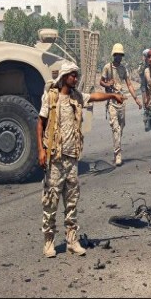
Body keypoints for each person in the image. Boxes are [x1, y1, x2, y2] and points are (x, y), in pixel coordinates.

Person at [37, 61, 124, 258]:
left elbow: (94, 96)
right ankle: (49, 242)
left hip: (72, 159)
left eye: (76, 75)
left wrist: (112, 95)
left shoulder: (77, 97)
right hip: (55, 158)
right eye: (72, 76)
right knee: (51, 202)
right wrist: (41, 150)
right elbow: (40, 124)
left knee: (72, 202)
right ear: (64, 77)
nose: (75, 79)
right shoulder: (52, 98)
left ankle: (72, 240)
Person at [100, 43, 142, 166]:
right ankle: (118, 154)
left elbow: (129, 84)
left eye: (120, 55)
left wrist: (136, 99)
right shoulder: (107, 68)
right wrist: (108, 84)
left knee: (121, 127)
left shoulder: (123, 69)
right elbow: (101, 82)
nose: (119, 57)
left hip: (121, 102)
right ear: (114, 55)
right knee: (116, 128)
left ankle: (116, 147)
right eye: (117, 55)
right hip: (112, 102)